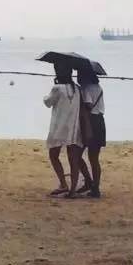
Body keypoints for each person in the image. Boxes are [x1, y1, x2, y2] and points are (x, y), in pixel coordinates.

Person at [43, 62, 89, 197]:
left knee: (53, 155)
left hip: (59, 127)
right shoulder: (78, 89)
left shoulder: (57, 88)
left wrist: (46, 95)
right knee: (73, 159)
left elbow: (48, 102)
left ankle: (63, 183)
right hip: (74, 128)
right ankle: (73, 190)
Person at [78, 70, 106, 198]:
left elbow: (88, 105)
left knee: (77, 155)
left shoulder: (86, 88)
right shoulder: (98, 87)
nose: (78, 77)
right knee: (94, 158)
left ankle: (88, 180)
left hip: (90, 122)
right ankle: (95, 187)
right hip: (100, 121)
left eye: (79, 74)